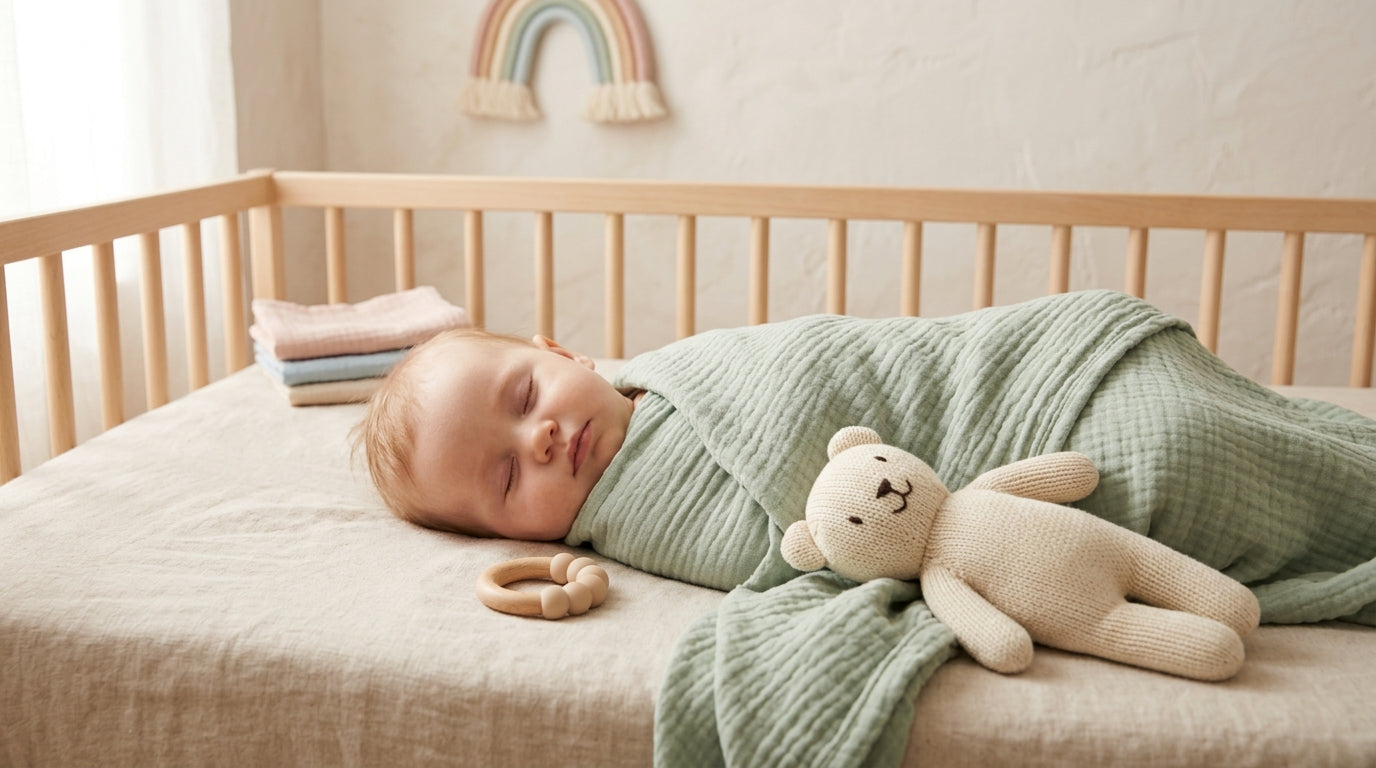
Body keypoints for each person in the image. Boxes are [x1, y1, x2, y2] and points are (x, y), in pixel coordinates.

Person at [356, 328, 637, 541]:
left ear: (563, 355)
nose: (538, 439)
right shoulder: (637, 529)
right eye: (509, 476)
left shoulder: (656, 369)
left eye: (527, 397)